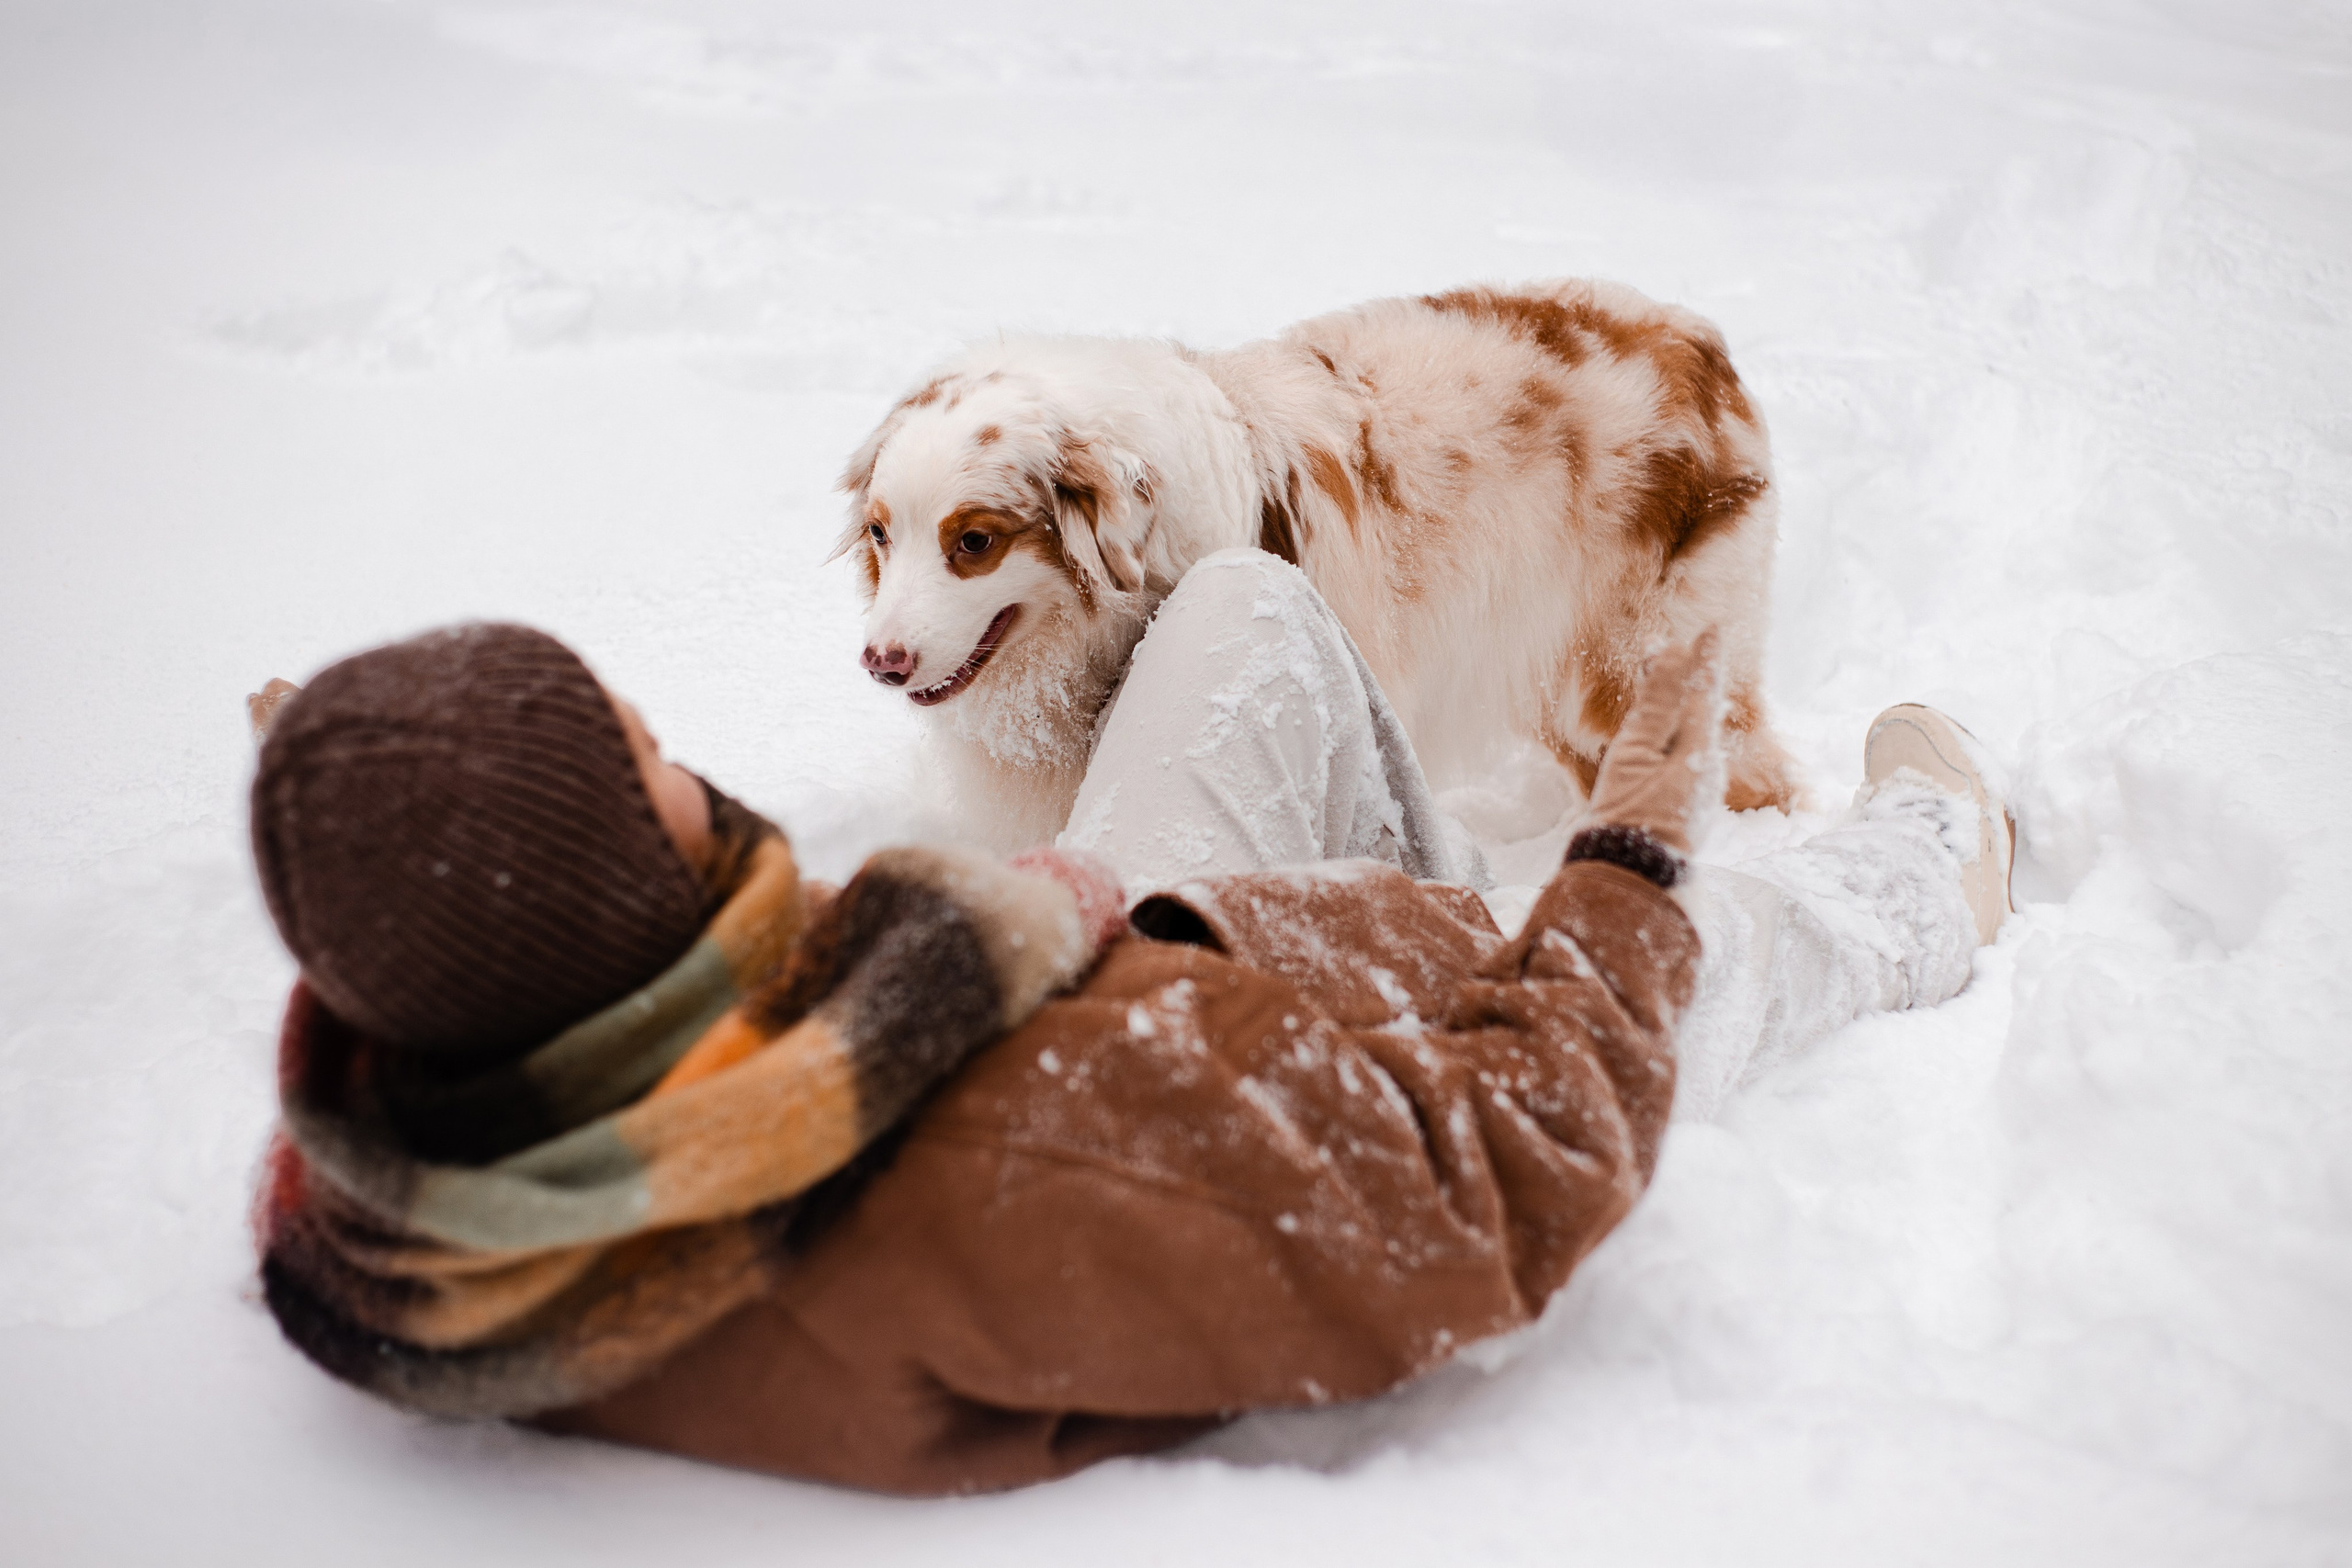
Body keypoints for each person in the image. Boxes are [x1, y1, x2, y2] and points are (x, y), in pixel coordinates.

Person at [246, 548, 2010, 1495]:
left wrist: (382, 802)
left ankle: (1461, 873)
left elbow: (483, 928)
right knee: (1718, 947)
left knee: (1242, 607)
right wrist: (1624, 863)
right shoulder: (1025, 1162)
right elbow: (1499, 1182)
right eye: (645, 768)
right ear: (611, 898)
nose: (683, 765)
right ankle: (1931, 871)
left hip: (1125, 952)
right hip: (1375, 1057)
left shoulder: (416, 1166)